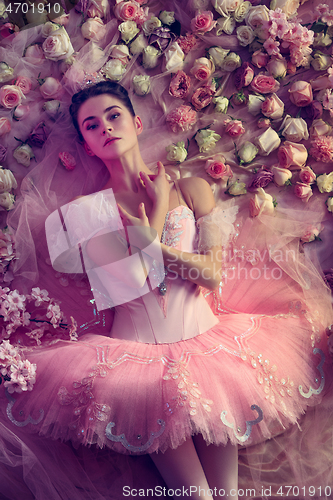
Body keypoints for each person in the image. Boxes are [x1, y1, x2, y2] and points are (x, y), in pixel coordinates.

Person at [1, 81, 333, 500]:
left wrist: (151, 241)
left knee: (227, 495)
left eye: (113, 115)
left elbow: (211, 275)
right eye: (91, 124)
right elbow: (131, 283)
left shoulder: (191, 188)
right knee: (196, 496)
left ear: (136, 123)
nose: (105, 127)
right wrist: (154, 221)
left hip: (212, 353)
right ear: (86, 145)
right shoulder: (82, 216)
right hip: (139, 365)